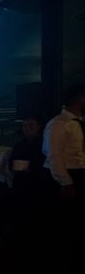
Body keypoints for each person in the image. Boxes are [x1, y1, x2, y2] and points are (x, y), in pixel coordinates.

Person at [42, 84, 85, 244]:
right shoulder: (59, 123)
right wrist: (66, 182)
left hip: (77, 174)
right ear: (81, 98)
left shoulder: (77, 123)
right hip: (64, 176)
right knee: (64, 223)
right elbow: (54, 155)